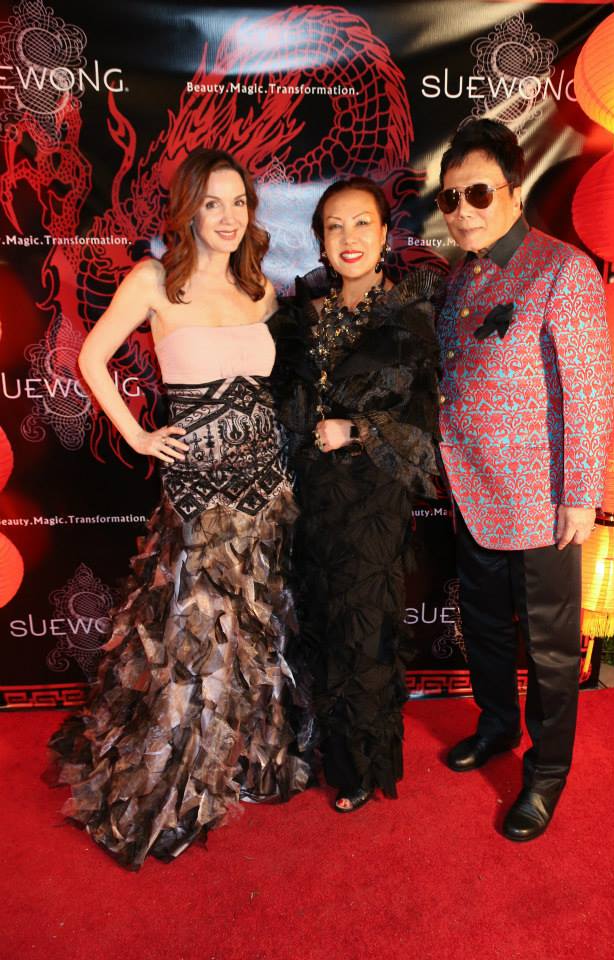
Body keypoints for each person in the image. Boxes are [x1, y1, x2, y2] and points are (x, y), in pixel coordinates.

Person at [48, 148, 311, 869]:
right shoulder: (154, 280)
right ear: (188, 209)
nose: (228, 218)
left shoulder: (260, 290)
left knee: (251, 628)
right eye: (213, 204)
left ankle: (236, 761)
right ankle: (177, 781)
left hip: (263, 483)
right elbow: (90, 356)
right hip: (198, 489)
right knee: (191, 634)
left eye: (239, 203)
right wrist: (136, 433)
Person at [435, 119, 613, 841]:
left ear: (513, 191)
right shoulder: (461, 275)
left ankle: (546, 776)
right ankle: (497, 728)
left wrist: (580, 494)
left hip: (542, 503)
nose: (464, 209)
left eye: (478, 192)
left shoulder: (561, 269)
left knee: (546, 645)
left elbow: (588, 388)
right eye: (451, 198)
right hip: (470, 491)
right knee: (481, 629)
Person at [269, 177, 441, 813]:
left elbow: (424, 423)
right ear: (319, 239)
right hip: (312, 498)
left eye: (361, 224)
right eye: (335, 226)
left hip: (373, 499)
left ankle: (363, 766)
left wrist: (358, 428)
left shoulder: (410, 316)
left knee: (363, 630)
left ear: (385, 234)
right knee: (316, 620)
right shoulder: (301, 316)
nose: (349, 239)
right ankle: (323, 744)